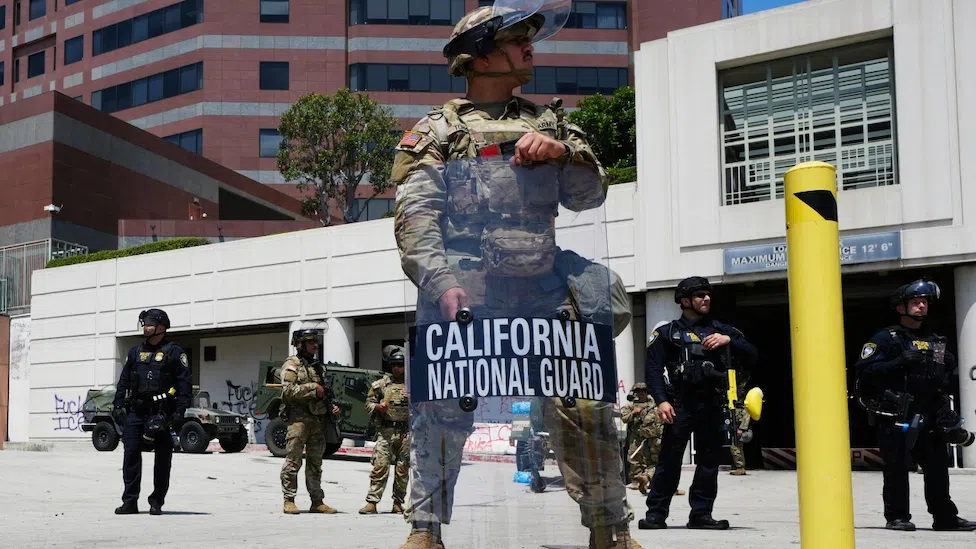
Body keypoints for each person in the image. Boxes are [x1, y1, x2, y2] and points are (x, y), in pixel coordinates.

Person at [392, 4, 639, 548]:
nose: (531, 47)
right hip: (469, 292)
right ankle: (424, 530)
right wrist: (441, 284)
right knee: (441, 409)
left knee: (583, 405)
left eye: (531, 38)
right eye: (516, 39)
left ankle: (610, 529)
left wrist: (563, 153)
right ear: (480, 56)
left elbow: (589, 196)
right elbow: (415, 218)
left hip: (544, 292)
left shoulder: (549, 124)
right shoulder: (436, 131)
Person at [854, 278, 976, 532]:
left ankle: (945, 517)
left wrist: (946, 406)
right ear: (901, 308)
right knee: (897, 466)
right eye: (915, 302)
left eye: (924, 302)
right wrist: (899, 363)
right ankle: (897, 517)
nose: (921, 306)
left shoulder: (937, 340)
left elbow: (945, 375)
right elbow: (864, 371)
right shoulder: (886, 338)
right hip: (897, 413)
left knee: (937, 469)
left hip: (930, 412)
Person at [639, 276, 758, 530]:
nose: (706, 299)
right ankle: (656, 514)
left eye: (708, 295)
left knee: (708, 463)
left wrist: (729, 341)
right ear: (685, 301)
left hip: (713, 406)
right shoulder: (667, 333)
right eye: (700, 295)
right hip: (680, 406)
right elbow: (652, 369)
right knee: (669, 461)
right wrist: (661, 401)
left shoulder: (723, 330)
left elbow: (752, 355)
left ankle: (701, 514)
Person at [111, 308, 192, 515]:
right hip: (136, 411)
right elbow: (124, 380)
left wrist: (179, 413)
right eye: (144, 323)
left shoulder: (175, 352)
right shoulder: (135, 352)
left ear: (161, 327)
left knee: (162, 459)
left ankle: (157, 501)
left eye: (149, 324)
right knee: (130, 455)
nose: (145, 327)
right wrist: (118, 404)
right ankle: (130, 501)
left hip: (162, 412)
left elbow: (184, 385)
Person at [279, 328, 342, 515]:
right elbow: (287, 392)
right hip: (298, 421)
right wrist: (312, 388)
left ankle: (317, 501)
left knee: (315, 463)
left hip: (317, 421)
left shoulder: (318, 367)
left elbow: (326, 394)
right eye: (311, 342)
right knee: (293, 460)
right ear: (300, 344)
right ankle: (289, 499)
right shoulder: (292, 365)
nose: (315, 345)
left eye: (316, 342)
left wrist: (332, 407)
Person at [360, 345, 411, 515]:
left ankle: (398, 502)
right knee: (380, 466)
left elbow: (425, 406)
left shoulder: (413, 385)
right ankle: (372, 502)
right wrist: (378, 407)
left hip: (406, 432)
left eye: (401, 364)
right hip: (386, 431)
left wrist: (413, 399)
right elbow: (367, 403)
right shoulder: (380, 384)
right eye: (394, 364)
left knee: (402, 469)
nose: (397, 368)